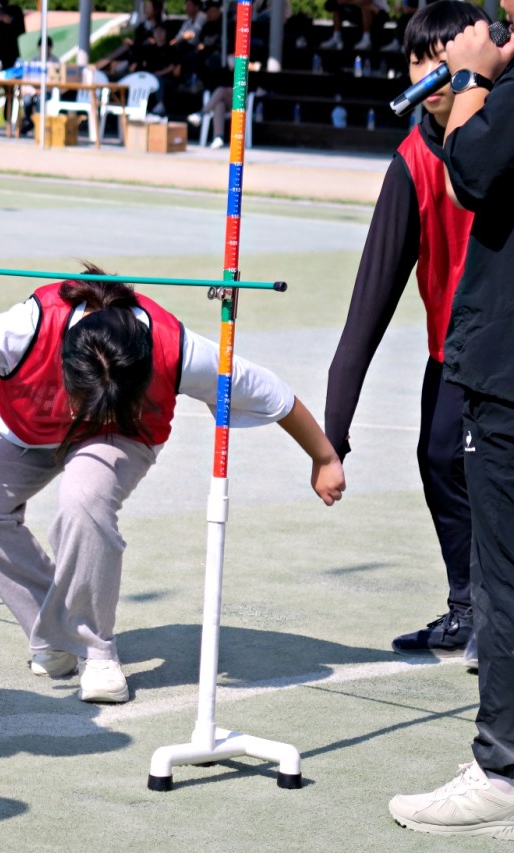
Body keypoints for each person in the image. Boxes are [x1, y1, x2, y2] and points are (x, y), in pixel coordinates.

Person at [0, 270, 345, 705]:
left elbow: (275, 395)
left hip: (121, 435)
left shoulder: (181, 350)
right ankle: (55, 630)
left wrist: (323, 456)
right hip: (26, 428)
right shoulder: (24, 327)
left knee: (83, 502)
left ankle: (96, 652)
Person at [326, 1, 488, 671]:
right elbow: (370, 304)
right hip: (455, 351)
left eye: (446, 60)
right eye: (420, 60)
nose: (432, 74)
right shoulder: (412, 162)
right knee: (440, 455)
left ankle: (495, 614)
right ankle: (471, 607)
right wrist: (332, 430)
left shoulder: (501, 135)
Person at [387, 0, 514, 836]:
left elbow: (472, 168)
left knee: (503, 583)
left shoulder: (496, 85)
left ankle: (502, 768)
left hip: (506, 372)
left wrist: (469, 78)